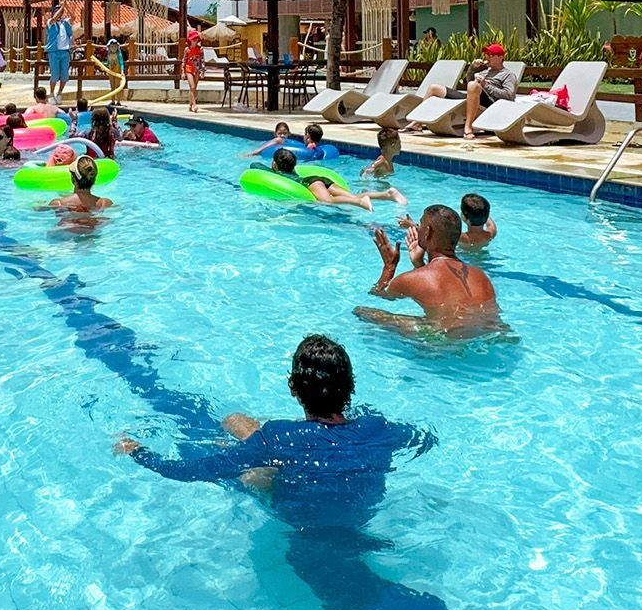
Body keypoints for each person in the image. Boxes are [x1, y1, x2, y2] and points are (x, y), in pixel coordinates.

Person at [114, 334, 430, 515]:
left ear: (293, 387)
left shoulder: (278, 437)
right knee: (241, 429)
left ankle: (237, 451)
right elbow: (424, 439)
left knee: (238, 438)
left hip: (297, 517)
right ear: (350, 386)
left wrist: (138, 452)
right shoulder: (380, 428)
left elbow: (187, 472)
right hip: (360, 515)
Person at [365, 204, 500, 334]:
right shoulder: (480, 275)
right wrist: (418, 263)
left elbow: (379, 294)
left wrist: (389, 267)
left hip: (445, 342)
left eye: (421, 225)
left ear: (428, 232)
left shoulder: (412, 279)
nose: (418, 229)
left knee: (364, 312)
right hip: (494, 332)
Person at [422, 42, 518, 141]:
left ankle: (468, 127)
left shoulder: (508, 75)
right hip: (473, 98)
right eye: (487, 55)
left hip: (491, 104)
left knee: (473, 85)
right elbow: (469, 83)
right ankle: (417, 123)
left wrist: (486, 85)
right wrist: (473, 69)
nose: (487, 58)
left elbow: (509, 96)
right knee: (434, 88)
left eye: (491, 55)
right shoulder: (485, 71)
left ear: (501, 57)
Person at [272, 147, 405, 209]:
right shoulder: (294, 171)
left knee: (328, 201)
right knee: (352, 195)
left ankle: (360, 203)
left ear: (274, 164)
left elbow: (257, 165)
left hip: (311, 182)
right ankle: (388, 194)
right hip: (321, 178)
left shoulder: (279, 175)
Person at [48, 153, 113, 216]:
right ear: (94, 179)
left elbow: (40, 211)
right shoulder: (105, 203)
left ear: (73, 179)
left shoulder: (59, 203)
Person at [44, 0, 73, 101]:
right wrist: (62, 7)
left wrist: (67, 6)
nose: (59, 13)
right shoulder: (50, 22)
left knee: (65, 75)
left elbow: (73, 17)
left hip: (65, 51)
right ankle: (51, 93)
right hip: (54, 52)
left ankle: (60, 92)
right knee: (55, 75)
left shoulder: (65, 23)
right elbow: (55, 17)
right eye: (57, 11)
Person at [182, 26, 205, 113]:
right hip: (189, 68)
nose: (195, 40)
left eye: (196, 39)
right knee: (192, 86)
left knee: (194, 88)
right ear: (190, 40)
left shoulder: (200, 49)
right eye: (193, 39)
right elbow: (184, 60)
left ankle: (190, 104)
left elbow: (202, 61)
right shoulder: (187, 49)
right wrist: (183, 72)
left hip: (197, 69)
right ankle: (194, 105)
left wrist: (203, 71)